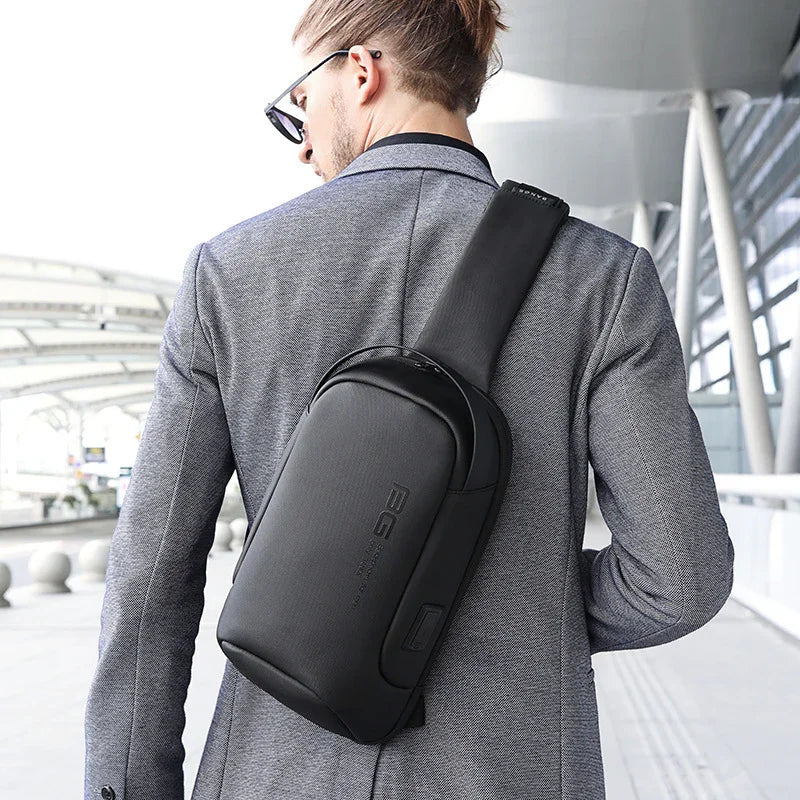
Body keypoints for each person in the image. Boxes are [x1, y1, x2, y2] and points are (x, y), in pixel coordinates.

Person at [83, 1, 735, 798]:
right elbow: (682, 579)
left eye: (299, 108)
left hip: (272, 773)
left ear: (360, 72)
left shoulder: (228, 273)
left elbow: (150, 581)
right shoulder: (601, 279)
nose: (305, 145)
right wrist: (514, 603)